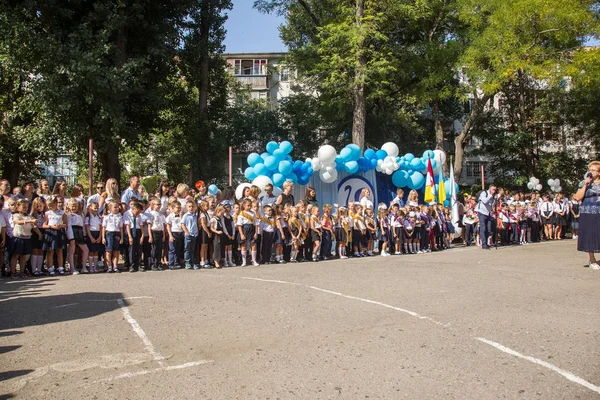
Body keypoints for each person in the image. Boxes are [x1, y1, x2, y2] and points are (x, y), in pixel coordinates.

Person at [574, 161, 600, 270]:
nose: (590, 172)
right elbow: (578, 197)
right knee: (590, 235)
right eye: (589, 170)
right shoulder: (584, 183)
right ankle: (592, 259)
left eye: (593, 170)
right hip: (588, 212)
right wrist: (585, 184)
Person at [42, 196, 67, 275]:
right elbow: (44, 225)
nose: (50, 207)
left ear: (56, 203)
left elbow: (65, 224)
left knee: (59, 250)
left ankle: (60, 267)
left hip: (59, 232)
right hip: (50, 232)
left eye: (51, 205)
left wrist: (60, 225)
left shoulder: (62, 213)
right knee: (50, 250)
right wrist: (51, 226)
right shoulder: (47, 213)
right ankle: (50, 267)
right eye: (48, 205)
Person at [65, 199, 89, 274]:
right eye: (72, 206)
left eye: (75, 206)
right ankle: (72, 268)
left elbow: (82, 226)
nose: (73, 208)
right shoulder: (68, 215)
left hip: (79, 232)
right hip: (73, 232)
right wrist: (71, 237)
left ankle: (84, 267)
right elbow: (68, 226)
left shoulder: (80, 214)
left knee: (86, 250)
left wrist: (83, 234)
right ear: (68, 206)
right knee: (71, 251)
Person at [102, 200, 123, 273]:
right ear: (110, 208)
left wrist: (122, 237)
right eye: (115, 207)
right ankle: (109, 266)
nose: (117, 208)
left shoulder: (119, 217)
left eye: (118, 207)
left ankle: (115, 266)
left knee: (116, 251)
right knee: (108, 251)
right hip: (109, 233)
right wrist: (103, 237)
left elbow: (121, 228)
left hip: (117, 233)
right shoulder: (107, 217)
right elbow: (104, 227)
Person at [237, 198, 259, 267]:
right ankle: (244, 261)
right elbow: (239, 225)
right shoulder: (241, 214)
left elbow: (256, 224)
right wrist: (241, 234)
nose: (249, 207)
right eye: (248, 205)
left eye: (250, 206)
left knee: (253, 244)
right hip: (245, 229)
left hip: (252, 228)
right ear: (244, 205)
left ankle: (254, 260)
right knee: (244, 244)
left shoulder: (253, 213)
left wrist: (256, 233)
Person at [474, 185, 497, 250]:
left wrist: (495, 198)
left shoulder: (492, 196)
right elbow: (485, 201)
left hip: (488, 212)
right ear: (489, 189)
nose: (494, 191)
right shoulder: (484, 193)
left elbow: (492, 204)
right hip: (481, 212)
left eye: (495, 190)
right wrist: (490, 195)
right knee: (483, 228)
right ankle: (483, 244)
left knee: (488, 228)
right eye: (493, 189)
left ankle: (486, 243)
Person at [180, 200, 199, 270]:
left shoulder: (195, 215)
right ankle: (187, 262)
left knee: (192, 249)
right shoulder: (185, 215)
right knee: (187, 249)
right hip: (188, 234)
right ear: (186, 207)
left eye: (192, 206)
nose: (191, 208)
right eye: (189, 206)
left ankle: (193, 262)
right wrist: (187, 232)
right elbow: (182, 224)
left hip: (194, 234)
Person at [85, 202, 103, 273]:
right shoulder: (88, 217)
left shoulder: (99, 217)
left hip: (97, 234)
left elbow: (101, 227)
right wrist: (91, 237)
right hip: (91, 234)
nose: (96, 209)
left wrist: (100, 237)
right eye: (94, 208)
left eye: (97, 208)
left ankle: (95, 267)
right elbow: (87, 228)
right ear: (90, 208)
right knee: (91, 252)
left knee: (96, 252)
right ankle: (90, 267)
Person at [29, 197, 46, 275]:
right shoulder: (32, 214)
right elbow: (34, 226)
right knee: (35, 250)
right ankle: (33, 270)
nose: (39, 208)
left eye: (41, 206)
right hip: (35, 233)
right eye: (37, 206)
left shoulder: (44, 214)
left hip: (43, 231)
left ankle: (39, 269)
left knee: (41, 251)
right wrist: (39, 234)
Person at [166, 201, 184, 269]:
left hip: (180, 233)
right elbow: (168, 226)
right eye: (177, 208)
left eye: (180, 208)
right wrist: (170, 235)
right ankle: (171, 263)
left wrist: (181, 216)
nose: (179, 209)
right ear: (173, 208)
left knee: (178, 249)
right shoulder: (170, 216)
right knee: (172, 249)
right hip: (174, 233)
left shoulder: (180, 216)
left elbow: (182, 223)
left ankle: (176, 262)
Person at [198, 200, 211, 268]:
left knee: (206, 246)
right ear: (202, 206)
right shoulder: (202, 214)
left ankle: (206, 260)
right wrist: (208, 232)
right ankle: (202, 261)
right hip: (204, 231)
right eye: (206, 206)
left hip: (207, 229)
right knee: (203, 247)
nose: (208, 207)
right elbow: (203, 224)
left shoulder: (206, 213)